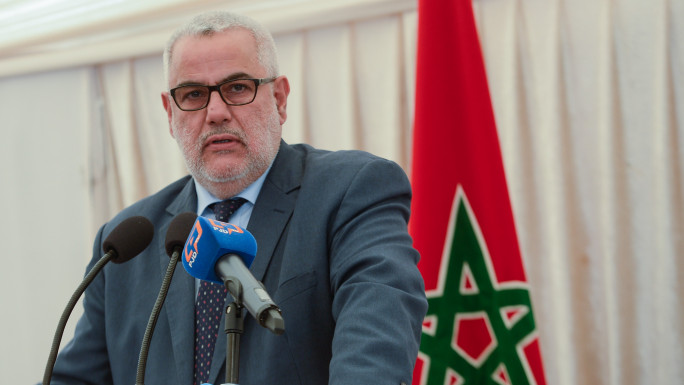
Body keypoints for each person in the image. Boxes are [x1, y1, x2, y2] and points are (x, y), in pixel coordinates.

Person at [46, 10, 427, 385]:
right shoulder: (124, 245)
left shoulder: (352, 191)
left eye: (237, 88)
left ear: (279, 98)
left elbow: (376, 351)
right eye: (193, 94)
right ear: (169, 113)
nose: (215, 112)